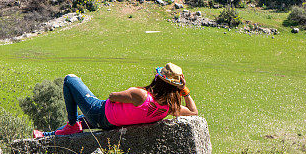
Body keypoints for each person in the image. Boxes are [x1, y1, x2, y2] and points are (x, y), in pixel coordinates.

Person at [33, 62, 198, 138]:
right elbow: (193, 112)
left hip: (100, 114)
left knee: (70, 79)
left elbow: (112, 96)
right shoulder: (169, 108)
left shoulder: (140, 95)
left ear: (157, 78)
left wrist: (129, 91)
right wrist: (184, 90)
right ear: (176, 89)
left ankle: (71, 124)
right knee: (83, 121)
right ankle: (47, 135)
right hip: (113, 123)